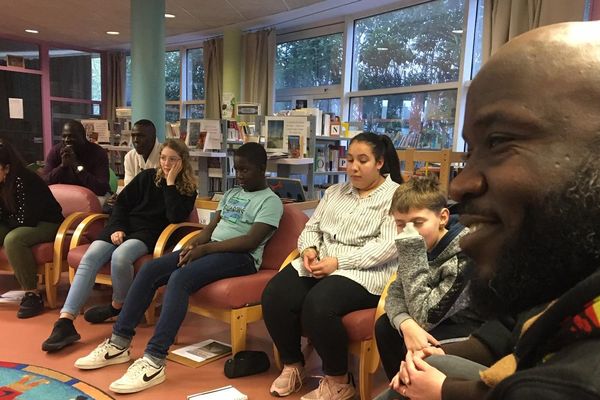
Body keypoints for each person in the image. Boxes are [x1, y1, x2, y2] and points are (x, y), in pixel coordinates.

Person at [392, 21, 600, 400]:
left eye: (499, 140)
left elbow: (425, 309)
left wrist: (441, 388)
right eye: (471, 150)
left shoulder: (568, 386)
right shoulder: (562, 270)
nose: (459, 186)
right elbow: (509, 326)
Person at [72, 142, 283, 394]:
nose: (239, 176)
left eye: (245, 170)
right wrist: (192, 245)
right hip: (213, 247)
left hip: (242, 258)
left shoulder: (271, 202)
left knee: (180, 279)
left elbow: (250, 241)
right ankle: (119, 343)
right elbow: (209, 230)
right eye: (236, 170)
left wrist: (204, 250)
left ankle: (155, 360)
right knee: (151, 270)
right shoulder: (231, 194)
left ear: (262, 169)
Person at [262, 132, 403, 400]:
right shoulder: (335, 192)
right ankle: (293, 365)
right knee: (275, 293)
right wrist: (309, 250)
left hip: (365, 272)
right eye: (349, 160)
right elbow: (312, 227)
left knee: (320, 303)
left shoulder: (396, 196)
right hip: (322, 263)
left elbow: (386, 248)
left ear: (380, 162)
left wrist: (338, 262)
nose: (353, 167)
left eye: (363, 160)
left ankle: (339, 381)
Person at [41, 139, 197, 352]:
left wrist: (170, 183)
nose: (166, 164)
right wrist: (117, 227)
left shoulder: (187, 189)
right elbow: (121, 204)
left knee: (121, 256)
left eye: (172, 159)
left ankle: (118, 306)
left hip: (149, 233)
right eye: (163, 158)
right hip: (123, 226)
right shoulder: (146, 177)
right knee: (90, 257)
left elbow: (175, 216)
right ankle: (65, 321)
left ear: (182, 162)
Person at [373, 176, 481, 400]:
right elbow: (394, 292)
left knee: (421, 341)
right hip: (429, 316)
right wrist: (406, 323)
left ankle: (419, 389)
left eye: (418, 222)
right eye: (401, 224)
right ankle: (405, 391)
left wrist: (415, 325)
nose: (408, 231)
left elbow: (426, 317)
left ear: (442, 217)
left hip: (467, 328)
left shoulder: (463, 256)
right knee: (386, 326)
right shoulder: (416, 243)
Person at [0, 139, 64, 318]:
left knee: (13, 239)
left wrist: (5, 220)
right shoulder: (2, 182)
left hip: (47, 223)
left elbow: (25, 219)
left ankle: (32, 294)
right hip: (17, 221)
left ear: (7, 168)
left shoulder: (25, 180)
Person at [42, 120, 110, 196]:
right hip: (64, 196)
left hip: (92, 196)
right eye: (64, 136)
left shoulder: (98, 152)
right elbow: (44, 183)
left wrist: (76, 166)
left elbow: (101, 189)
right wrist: (62, 166)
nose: (67, 140)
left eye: (71, 136)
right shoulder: (56, 151)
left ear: (83, 137)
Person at [124, 119, 160, 187]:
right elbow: (129, 189)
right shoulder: (130, 157)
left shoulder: (166, 156)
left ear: (153, 137)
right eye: (133, 136)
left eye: (141, 136)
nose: (135, 140)